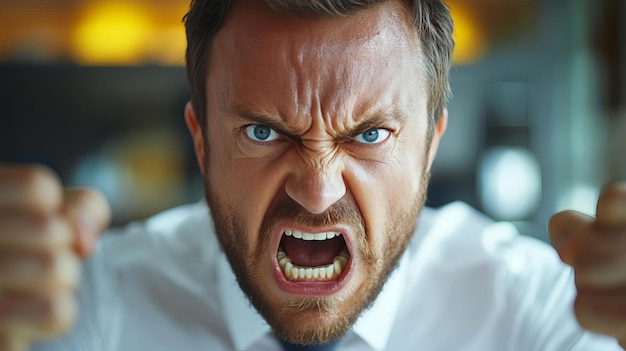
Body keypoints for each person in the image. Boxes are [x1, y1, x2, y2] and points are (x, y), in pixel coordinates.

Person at [0, 0, 625, 350]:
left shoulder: (532, 308)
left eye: (371, 134)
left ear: (430, 147)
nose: (318, 189)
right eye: (264, 132)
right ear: (201, 141)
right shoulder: (96, 304)